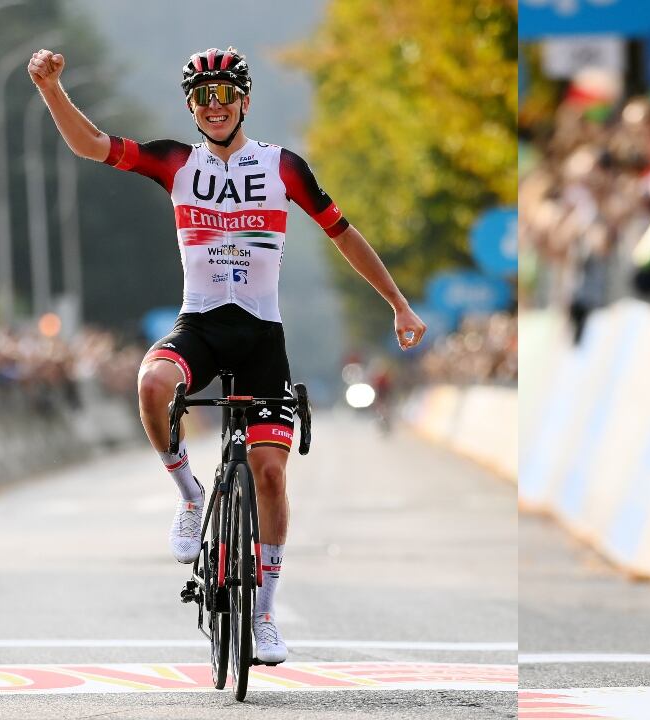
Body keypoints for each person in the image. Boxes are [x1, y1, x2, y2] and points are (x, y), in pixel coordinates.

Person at [28, 46, 427, 663]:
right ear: (191, 106)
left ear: (244, 100)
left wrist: (398, 303)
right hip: (201, 326)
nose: (214, 107)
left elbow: (342, 234)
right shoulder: (174, 162)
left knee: (269, 474)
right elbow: (93, 145)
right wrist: (53, 89)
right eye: (202, 98)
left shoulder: (283, 167)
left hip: (262, 335)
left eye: (225, 96)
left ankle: (264, 615)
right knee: (152, 385)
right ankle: (190, 495)